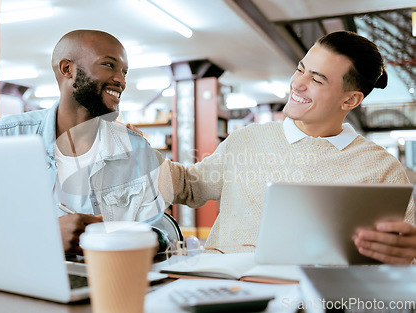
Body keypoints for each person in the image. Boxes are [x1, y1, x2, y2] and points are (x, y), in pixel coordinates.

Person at [158, 31, 416, 264]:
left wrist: (406, 255)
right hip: (225, 288)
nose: (297, 83)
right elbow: (189, 186)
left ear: (350, 99)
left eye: (316, 79)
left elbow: (405, 255)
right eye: (300, 68)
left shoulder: (381, 168)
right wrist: (135, 153)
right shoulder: (246, 140)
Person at [0, 30, 165, 255]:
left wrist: (112, 236)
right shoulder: (0, 138)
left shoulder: (136, 149)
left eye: (124, 72)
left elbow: (158, 231)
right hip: (12, 278)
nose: (121, 81)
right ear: (67, 69)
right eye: (108, 65)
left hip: (103, 280)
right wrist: (41, 236)